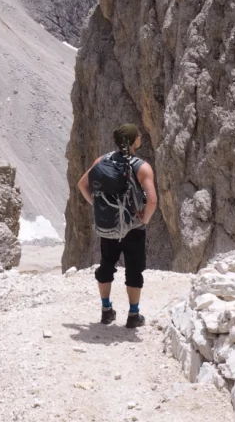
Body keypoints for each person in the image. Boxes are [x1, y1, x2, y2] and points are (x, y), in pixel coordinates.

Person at [77, 123, 158, 328]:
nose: (140, 137)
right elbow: (153, 201)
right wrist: (144, 219)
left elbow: (82, 184)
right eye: (138, 135)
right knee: (133, 270)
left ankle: (106, 311)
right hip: (133, 228)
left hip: (109, 225)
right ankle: (133, 315)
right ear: (133, 141)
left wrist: (98, 206)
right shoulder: (142, 167)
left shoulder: (102, 161)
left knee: (106, 266)